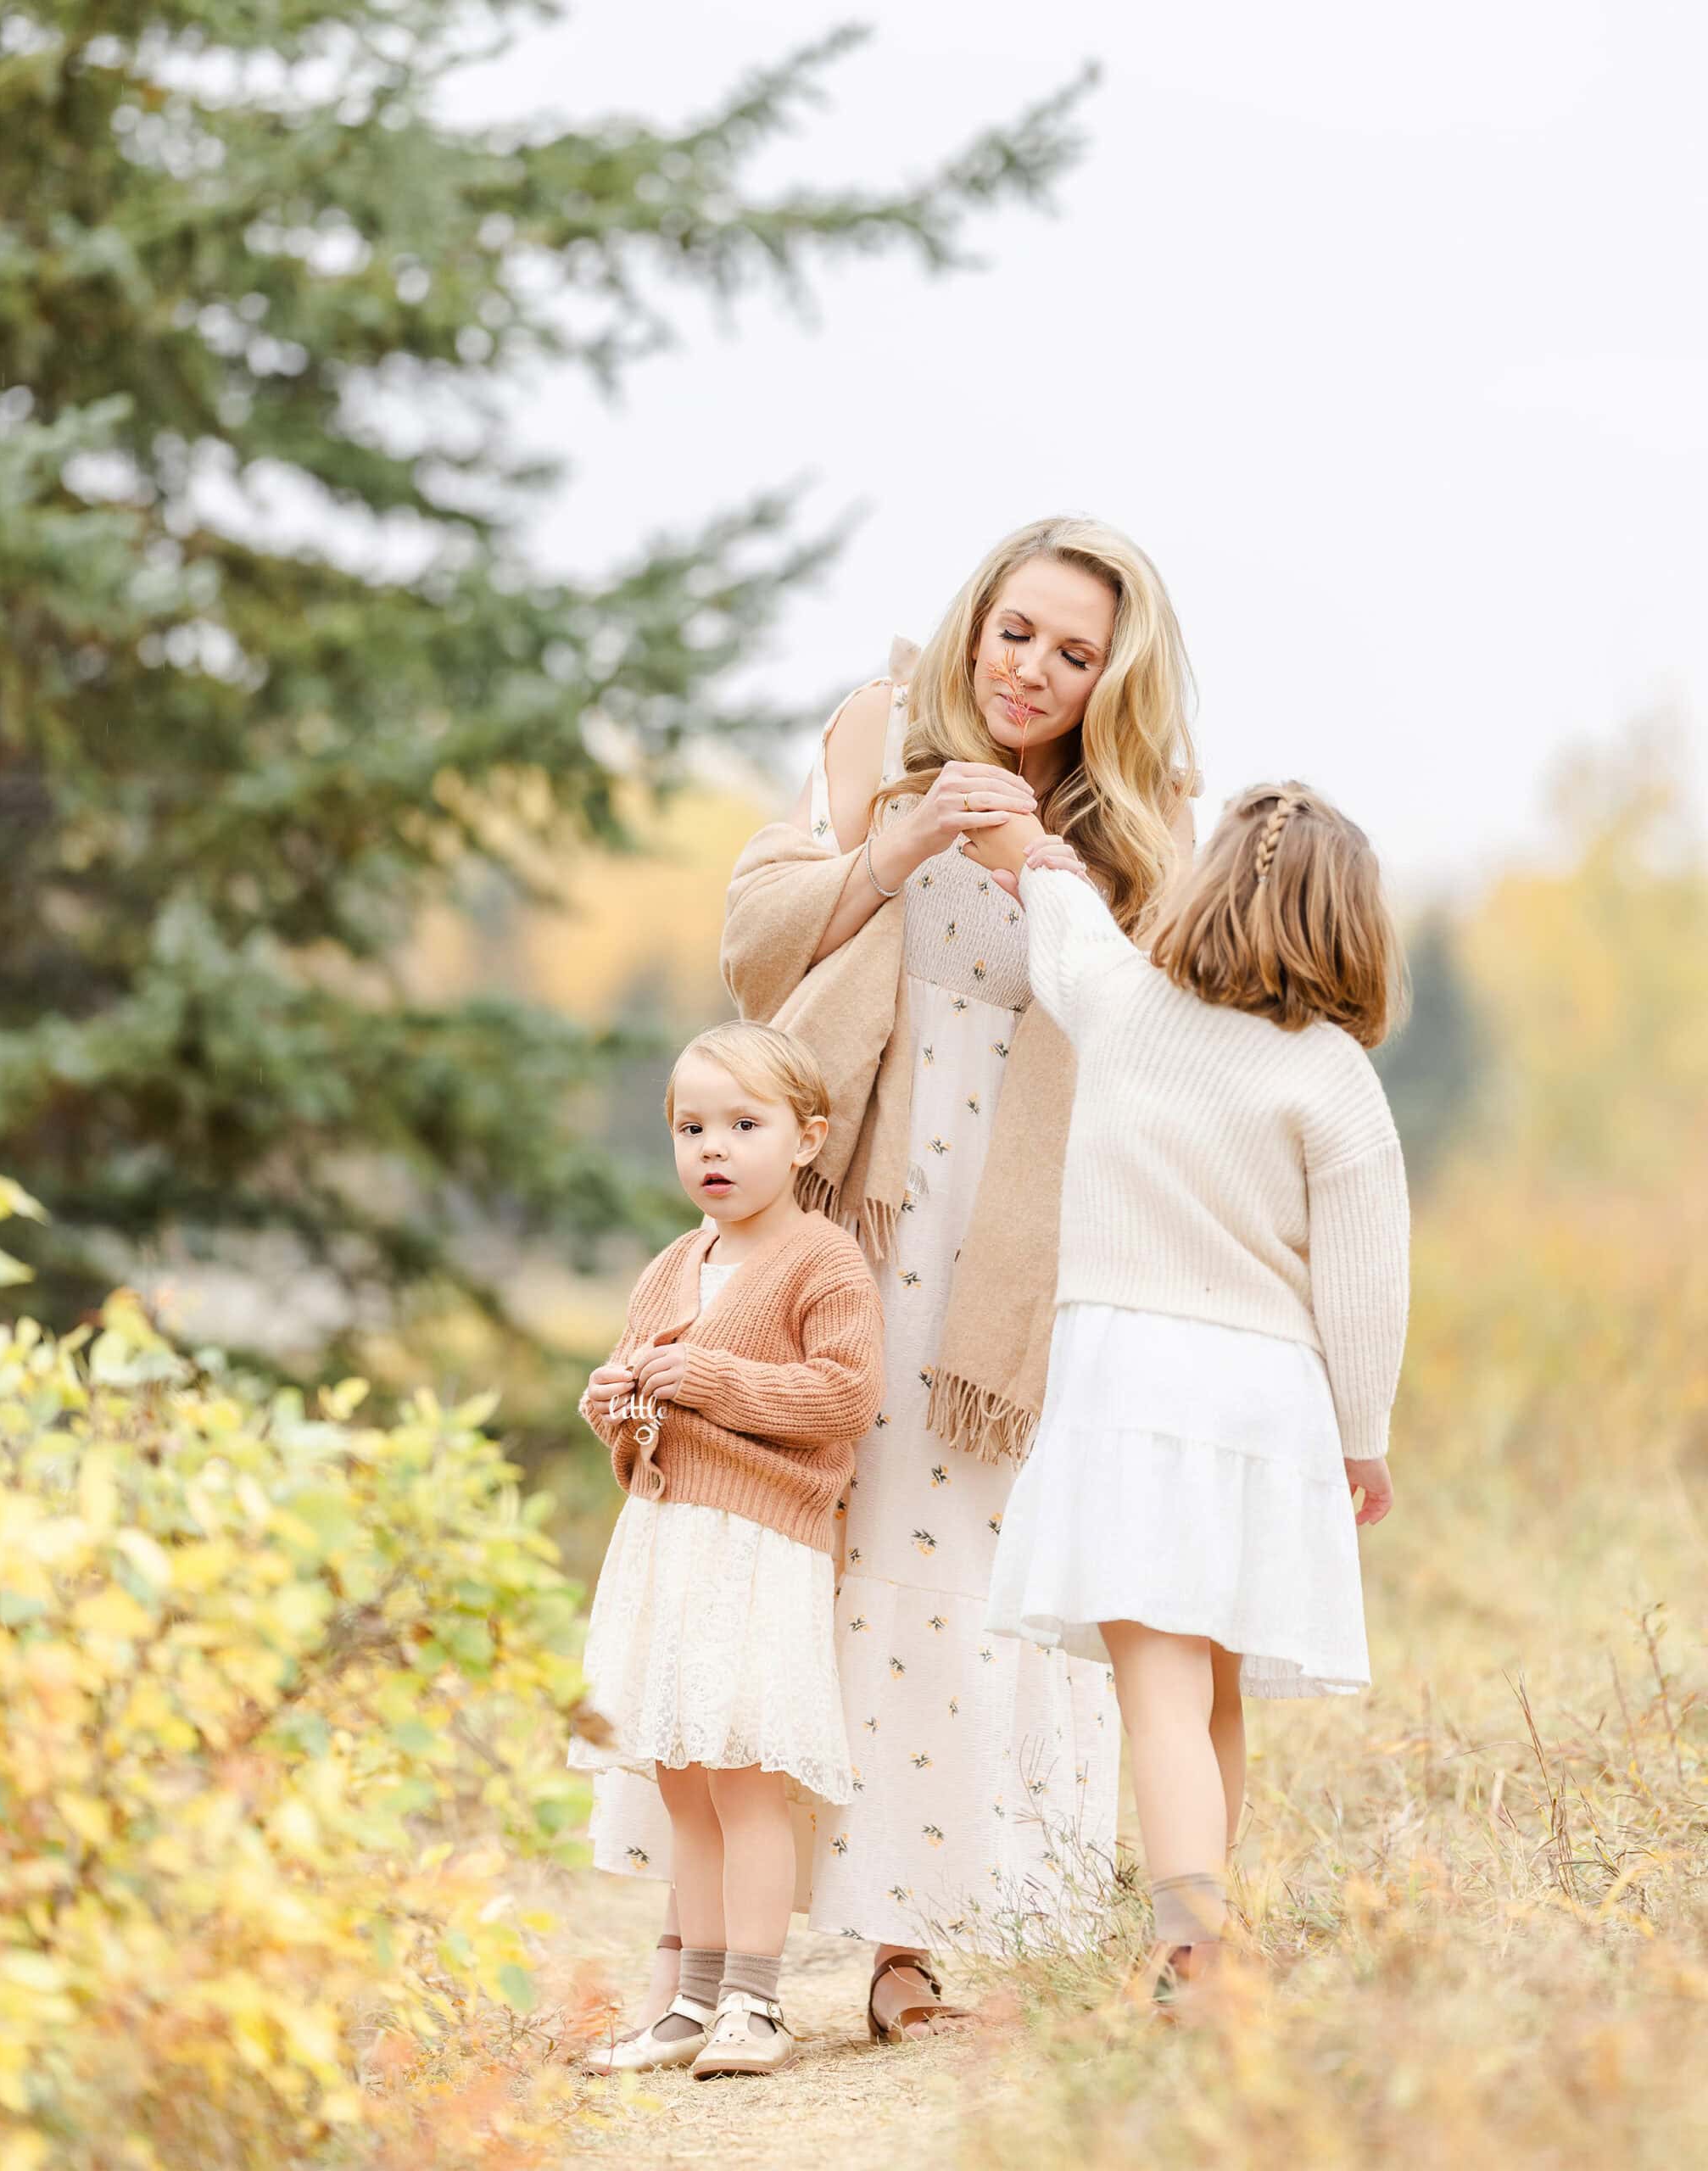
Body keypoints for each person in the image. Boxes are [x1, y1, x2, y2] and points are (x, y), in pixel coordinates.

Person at [586, 516, 1201, 2043]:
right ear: (972, 619)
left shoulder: (1139, 823)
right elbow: (754, 950)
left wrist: (1041, 864)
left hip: (1010, 1256)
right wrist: (896, 840)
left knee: (955, 1577)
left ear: (1111, 676)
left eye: (1074, 654)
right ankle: (702, 1948)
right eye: (1017, 633)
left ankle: (909, 1944)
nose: (1034, 673)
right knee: (782, 1546)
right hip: (846, 1211)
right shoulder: (874, 735)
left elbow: (1151, 1029)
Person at [984, 784, 1412, 2003]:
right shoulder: (1333, 1077)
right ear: (1353, 926)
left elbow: (1056, 899)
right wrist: (1363, 1439)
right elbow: (1368, 1280)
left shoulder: (1122, 1004)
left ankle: (1192, 1947)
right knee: (1215, 1691)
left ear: (1211, 884)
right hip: (1268, 1398)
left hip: (1131, 1380)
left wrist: (1019, 826)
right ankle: (1203, 1929)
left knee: (1158, 1691)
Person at [572, 1019, 885, 2076]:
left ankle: (755, 2001)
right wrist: (612, 1404)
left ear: (805, 1139)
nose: (712, 1147)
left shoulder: (820, 1258)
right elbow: (641, 1401)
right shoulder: (674, 1266)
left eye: (742, 1125)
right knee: (680, 1774)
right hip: (667, 1545)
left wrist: (705, 1382)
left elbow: (845, 1395)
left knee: (746, 1773)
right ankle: (687, 2003)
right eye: (691, 1126)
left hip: (757, 1547)